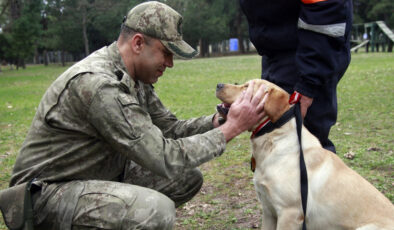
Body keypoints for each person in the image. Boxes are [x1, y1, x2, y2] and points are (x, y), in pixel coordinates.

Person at [2, 1, 267, 229]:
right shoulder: (100, 86)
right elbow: (163, 156)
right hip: (44, 197)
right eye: (166, 53)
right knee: (155, 210)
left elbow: (169, 129)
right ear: (138, 43)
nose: (170, 63)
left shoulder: (133, 76)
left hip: (92, 176)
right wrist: (232, 128)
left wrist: (217, 121)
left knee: (186, 178)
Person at [240, 0, 353, 153]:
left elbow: (326, 9)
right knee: (274, 140)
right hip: (277, 49)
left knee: (302, 146)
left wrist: (308, 82)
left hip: (307, 50)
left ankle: (309, 176)